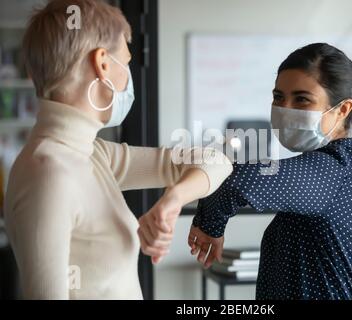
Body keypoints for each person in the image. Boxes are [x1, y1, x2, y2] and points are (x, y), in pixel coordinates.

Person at [3, 0, 232, 299]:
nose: (128, 75)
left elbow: (216, 160)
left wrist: (173, 199)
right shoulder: (48, 172)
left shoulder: (91, 153)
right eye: (125, 61)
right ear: (102, 63)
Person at [187, 43, 352, 300]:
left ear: (343, 109)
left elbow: (237, 180)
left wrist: (209, 225)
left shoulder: (337, 169)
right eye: (279, 97)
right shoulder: (336, 168)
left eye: (302, 99)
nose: (285, 108)